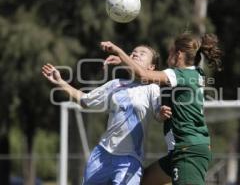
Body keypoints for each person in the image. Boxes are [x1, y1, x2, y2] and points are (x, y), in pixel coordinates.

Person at [100, 32, 223, 185]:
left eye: (171, 51)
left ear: (178, 54)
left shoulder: (180, 75)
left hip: (188, 151)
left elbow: (143, 74)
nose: (167, 54)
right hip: (182, 151)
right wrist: (125, 62)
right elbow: (151, 78)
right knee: (143, 181)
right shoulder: (195, 73)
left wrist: (118, 51)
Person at [42, 45, 167, 185]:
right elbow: (86, 101)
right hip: (102, 155)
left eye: (142, 53)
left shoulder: (152, 88)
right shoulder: (115, 84)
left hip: (130, 159)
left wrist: (162, 113)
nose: (135, 54)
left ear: (151, 67)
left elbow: (158, 115)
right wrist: (60, 82)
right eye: (133, 52)